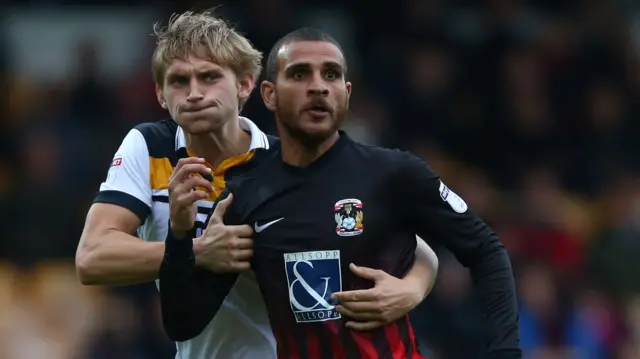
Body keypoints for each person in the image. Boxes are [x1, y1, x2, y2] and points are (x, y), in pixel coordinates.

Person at [76, 11, 439, 359]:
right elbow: (92, 258)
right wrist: (199, 251)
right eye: (179, 81)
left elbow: (417, 249)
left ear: (246, 85)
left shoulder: (293, 163)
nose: (194, 93)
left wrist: (410, 290)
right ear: (160, 94)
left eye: (209, 77)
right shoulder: (150, 147)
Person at [160, 27, 522, 359]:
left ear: (346, 93)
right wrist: (180, 236)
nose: (318, 86)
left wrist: (505, 353)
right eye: (300, 74)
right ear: (269, 94)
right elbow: (183, 324)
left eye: (331, 74)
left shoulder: (394, 173)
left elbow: (486, 250)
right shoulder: (247, 195)